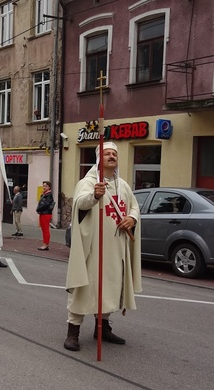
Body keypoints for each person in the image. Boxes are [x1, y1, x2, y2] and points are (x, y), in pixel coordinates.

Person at [63, 142, 142, 352]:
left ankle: (102, 327)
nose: (111, 156)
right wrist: (95, 196)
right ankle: (73, 331)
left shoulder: (123, 185)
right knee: (85, 287)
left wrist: (132, 218)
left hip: (116, 249)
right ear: (99, 158)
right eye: (107, 153)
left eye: (114, 153)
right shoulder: (88, 182)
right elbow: (80, 203)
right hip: (94, 248)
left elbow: (134, 206)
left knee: (111, 287)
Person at [36, 181, 55, 251]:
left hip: (46, 214)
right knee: (44, 229)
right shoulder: (44, 194)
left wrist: (38, 209)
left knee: (45, 229)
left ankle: (45, 244)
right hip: (43, 213)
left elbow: (45, 204)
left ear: (49, 187)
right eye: (43, 186)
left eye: (46, 186)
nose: (44, 187)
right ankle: (45, 243)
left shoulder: (48, 195)